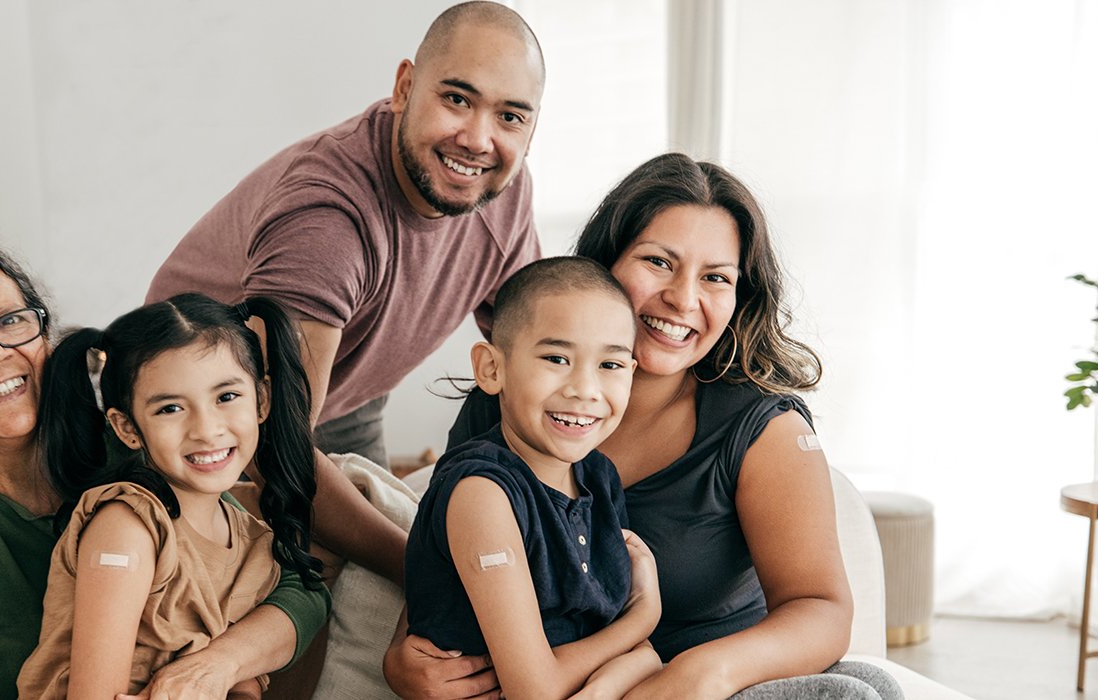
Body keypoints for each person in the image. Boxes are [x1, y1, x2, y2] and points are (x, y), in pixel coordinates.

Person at [388, 154, 903, 700]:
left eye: (716, 278)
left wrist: (700, 673)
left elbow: (820, 609)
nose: (683, 299)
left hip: (702, 677)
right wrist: (403, 655)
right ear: (606, 263)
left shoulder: (760, 429)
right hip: (580, 680)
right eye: (659, 262)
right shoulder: (511, 402)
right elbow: (447, 548)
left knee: (869, 686)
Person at [145, 1, 547, 586]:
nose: (479, 140)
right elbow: (272, 449)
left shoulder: (501, 191)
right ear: (405, 87)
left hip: (349, 394)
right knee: (298, 600)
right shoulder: (327, 220)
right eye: (457, 99)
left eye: (511, 117)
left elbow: (535, 359)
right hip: (206, 423)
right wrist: (425, 571)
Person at [0, 237, 328, 700]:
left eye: (10, 322)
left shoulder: (138, 447)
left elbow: (288, 581)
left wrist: (215, 667)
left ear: (45, 336)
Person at [16, 293, 324, 699]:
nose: (206, 429)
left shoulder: (254, 541)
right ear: (127, 428)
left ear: (262, 400)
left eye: (226, 397)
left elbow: (239, 680)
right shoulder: (127, 527)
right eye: (170, 409)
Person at [404, 257, 665, 699]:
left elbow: (615, 639)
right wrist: (643, 620)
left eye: (611, 365)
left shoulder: (598, 477)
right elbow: (535, 690)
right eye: (557, 358)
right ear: (491, 368)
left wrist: (632, 664)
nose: (585, 388)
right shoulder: (482, 493)